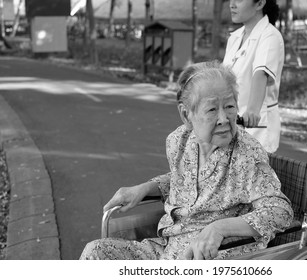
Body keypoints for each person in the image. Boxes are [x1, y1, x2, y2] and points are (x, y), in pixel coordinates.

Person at [80, 61, 293, 260]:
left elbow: (279, 212)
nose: (223, 119)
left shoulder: (247, 152)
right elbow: (186, 180)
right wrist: (145, 188)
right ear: (186, 114)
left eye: (229, 106)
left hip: (212, 256)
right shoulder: (179, 141)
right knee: (95, 253)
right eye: (211, 109)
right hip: (166, 248)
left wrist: (218, 228)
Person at [223, 0, 284, 153]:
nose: (232, 4)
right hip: (230, 124)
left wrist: (252, 111)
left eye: (239, 0)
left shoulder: (270, 36)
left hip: (256, 128)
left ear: (259, 4)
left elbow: (261, 73)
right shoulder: (235, 38)